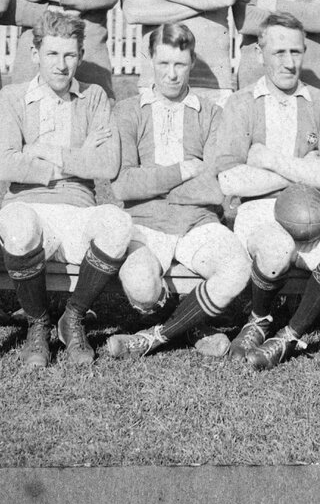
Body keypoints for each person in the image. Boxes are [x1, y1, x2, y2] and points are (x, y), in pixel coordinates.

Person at [209, 12, 320, 369]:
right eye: (279, 52)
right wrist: (305, 168)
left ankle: (290, 334)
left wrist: (270, 160)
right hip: (260, 212)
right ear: (260, 53)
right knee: (276, 247)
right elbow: (229, 180)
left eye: (296, 52)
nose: (289, 63)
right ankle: (259, 319)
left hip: (313, 211)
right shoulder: (242, 103)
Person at [0, 10, 132, 369]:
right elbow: (5, 164)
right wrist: (78, 155)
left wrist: (43, 152)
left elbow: (107, 165)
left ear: (81, 56)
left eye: (70, 55)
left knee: (116, 223)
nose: (61, 64)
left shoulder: (94, 97)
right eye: (52, 54)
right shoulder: (13, 97)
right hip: (27, 206)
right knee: (19, 228)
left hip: (78, 211)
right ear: (35, 53)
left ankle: (72, 318)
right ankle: (38, 323)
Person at [103, 24, 252, 360]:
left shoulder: (211, 113)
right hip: (144, 223)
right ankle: (194, 323)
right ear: (150, 61)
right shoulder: (128, 111)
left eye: (180, 65)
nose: (171, 75)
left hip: (195, 222)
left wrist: (154, 185)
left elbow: (215, 186)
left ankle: (156, 336)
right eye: (163, 64)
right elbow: (123, 184)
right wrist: (182, 171)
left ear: (192, 62)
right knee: (142, 288)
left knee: (237, 265)